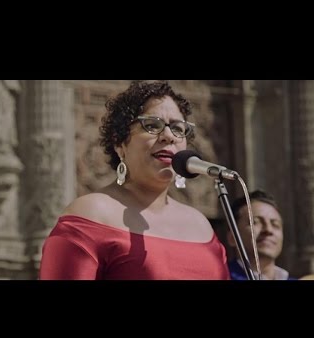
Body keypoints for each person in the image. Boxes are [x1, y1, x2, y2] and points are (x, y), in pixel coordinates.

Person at [39, 80, 230, 280]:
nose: (168, 136)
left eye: (178, 128)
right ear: (120, 143)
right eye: (152, 125)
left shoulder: (200, 225)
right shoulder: (91, 214)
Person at [227, 189, 296, 280]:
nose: (268, 230)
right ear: (232, 237)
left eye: (275, 224)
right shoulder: (220, 276)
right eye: (255, 222)